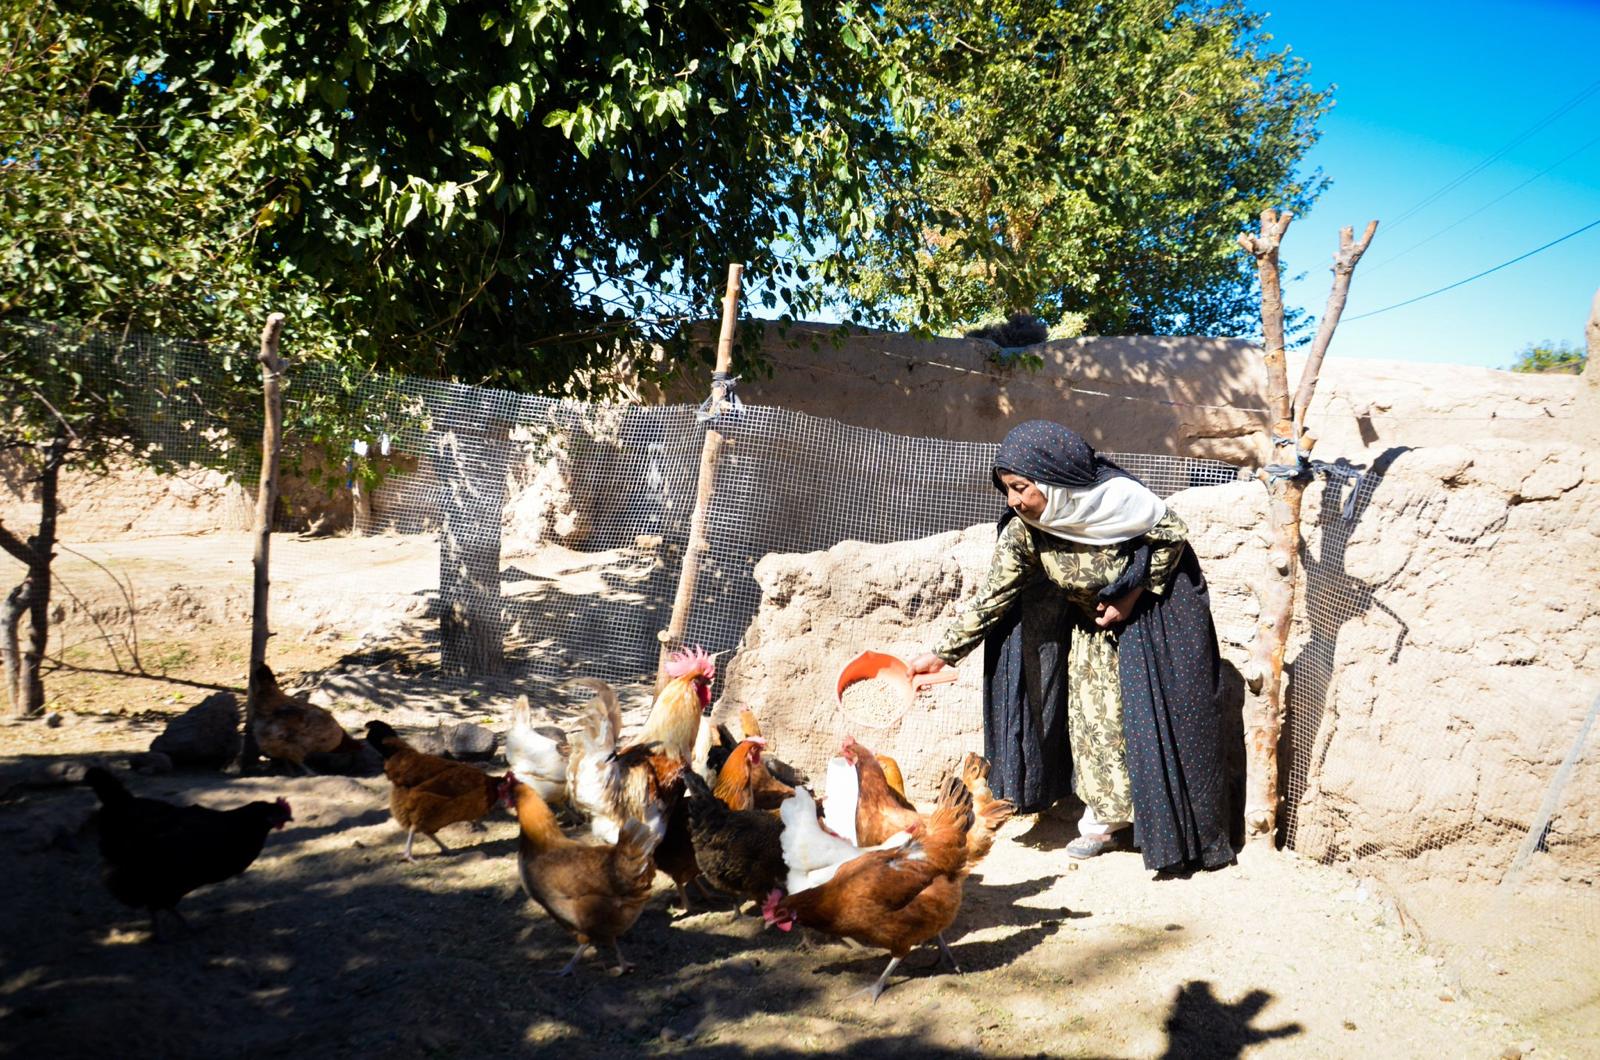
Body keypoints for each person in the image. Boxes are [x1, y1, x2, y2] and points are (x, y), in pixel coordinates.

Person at [909, 420, 1233, 874]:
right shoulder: (1026, 531)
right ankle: (1103, 824)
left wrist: (1132, 593)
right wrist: (944, 653)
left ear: (1055, 480)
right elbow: (992, 598)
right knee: (1097, 731)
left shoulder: (1124, 503)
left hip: (1151, 632)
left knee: (1161, 724)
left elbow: (1171, 538)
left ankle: (1165, 825)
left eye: (1021, 487)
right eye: (1007, 490)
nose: (1014, 501)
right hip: (1091, 638)